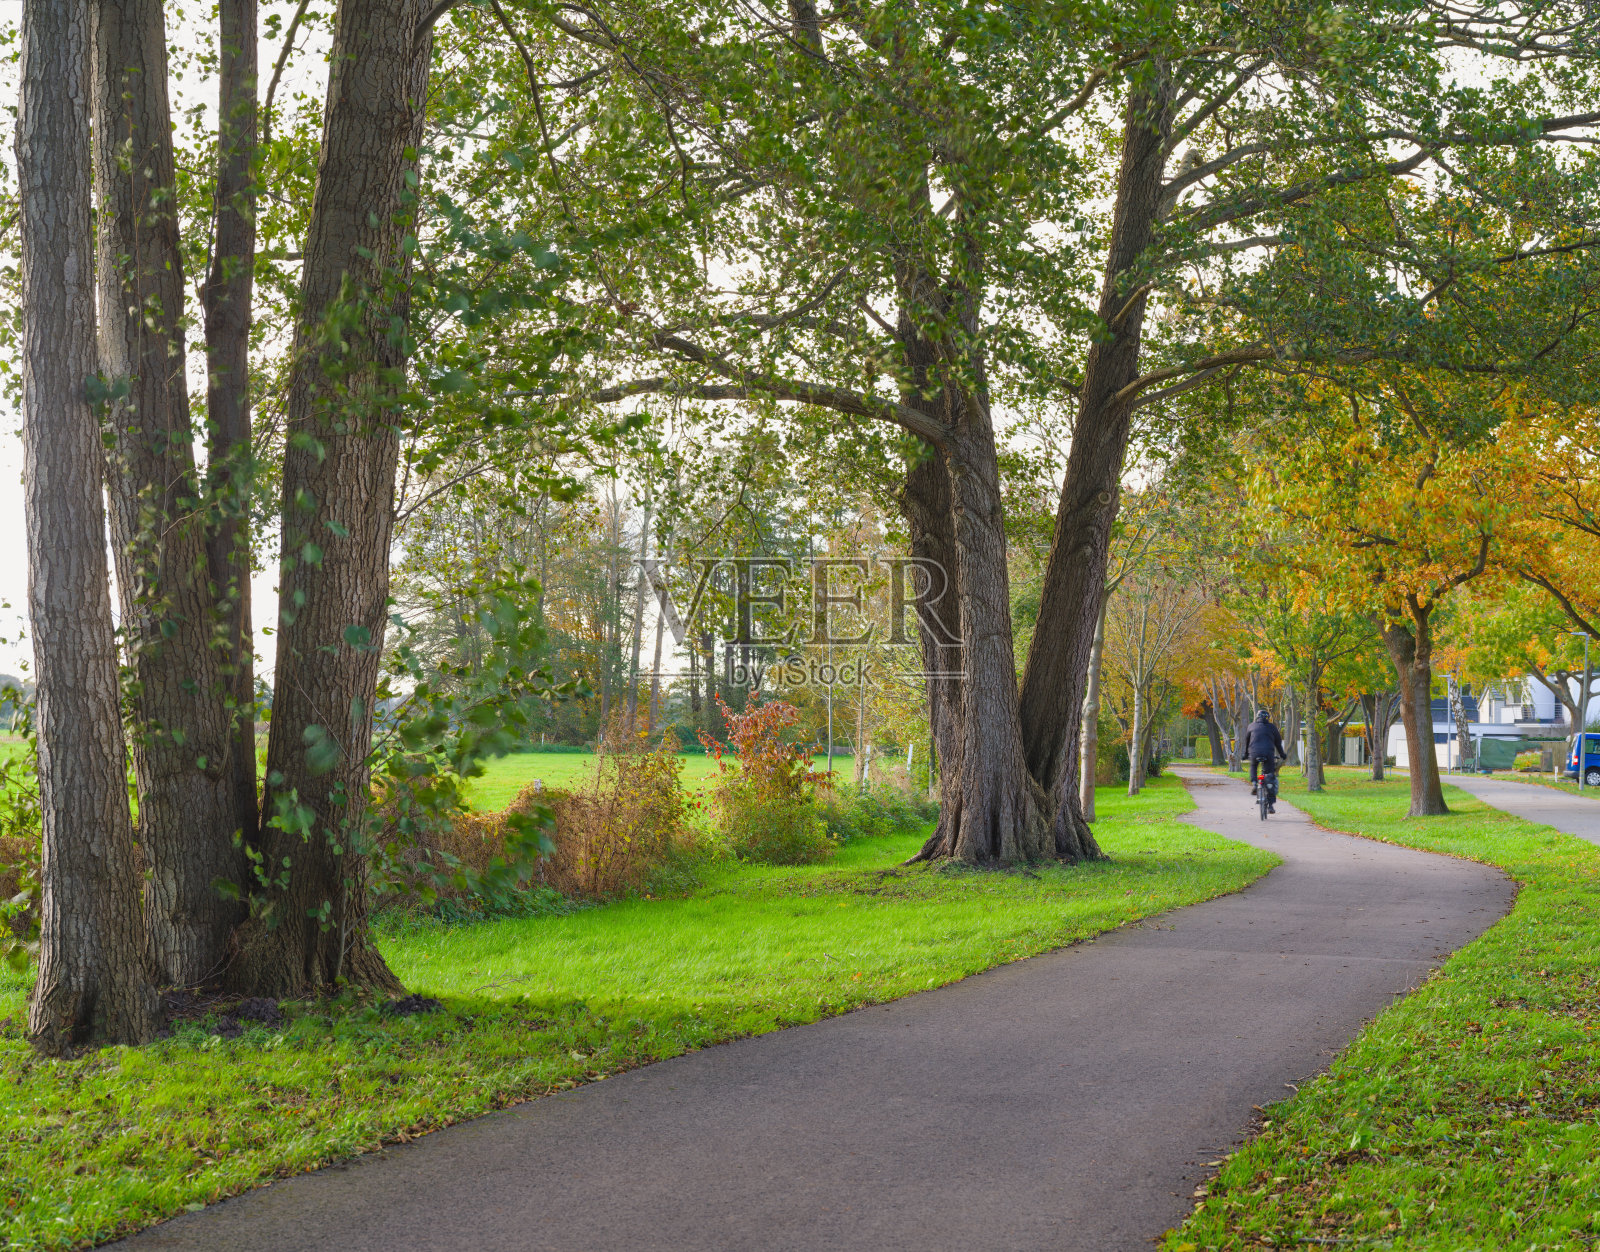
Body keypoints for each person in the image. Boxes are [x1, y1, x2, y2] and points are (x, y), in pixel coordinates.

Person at [1241, 709, 1287, 805]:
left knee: (1253, 766)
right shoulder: (1272, 727)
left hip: (1254, 752)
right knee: (1270, 776)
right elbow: (1278, 743)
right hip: (1268, 753)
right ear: (1268, 718)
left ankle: (1254, 783)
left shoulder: (1251, 726)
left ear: (1257, 717)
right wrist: (1282, 754)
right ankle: (1270, 805)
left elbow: (1247, 742)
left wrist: (1245, 754)